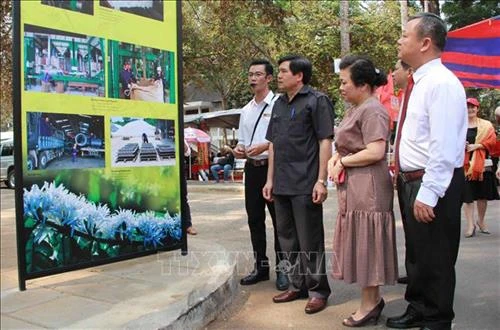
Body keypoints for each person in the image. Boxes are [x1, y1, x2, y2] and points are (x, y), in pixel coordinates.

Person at [386, 13, 468, 330]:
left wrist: (429, 193)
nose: (399, 40)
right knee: (418, 254)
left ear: (425, 43)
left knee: (437, 257)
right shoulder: (419, 82)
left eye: (405, 35)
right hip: (412, 181)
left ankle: (437, 320)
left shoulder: (442, 84)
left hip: (432, 182)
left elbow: (445, 146)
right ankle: (418, 307)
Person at [328, 55, 398, 327]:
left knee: (368, 242)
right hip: (355, 185)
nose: (341, 87)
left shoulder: (372, 110)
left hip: (368, 186)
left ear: (363, 84)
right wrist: (337, 158)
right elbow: (346, 145)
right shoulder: (355, 109)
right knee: (361, 241)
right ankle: (371, 300)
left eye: (345, 82)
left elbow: (376, 150)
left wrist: (342, 161)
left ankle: (370, 304)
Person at [263, 55, 333, 314]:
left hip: (305, 182)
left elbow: (325, 140)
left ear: (299, 76)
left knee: (310, 240)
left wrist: (321, 180)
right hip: (281, 183)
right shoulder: (279, 104)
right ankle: (297, 284)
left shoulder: (317, 101)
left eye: (283, 71)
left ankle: (318, 290)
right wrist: (269, 180)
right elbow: (273, 144)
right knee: (287, 239)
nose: (279, 76)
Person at [232, 59, 288, 291]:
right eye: (250, 74)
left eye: (258, 74)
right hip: (252, 170)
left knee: (279, 222)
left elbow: (282, 138)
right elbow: (243, 141)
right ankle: (261, 267)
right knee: (255, 219)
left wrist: (264, 147)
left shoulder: (279, 104)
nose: (253, 78)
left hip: (272, 168)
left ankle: (283, 270)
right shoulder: (246, 110)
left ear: (269, 78)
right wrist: (239, 149)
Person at [462, 97, 498, 237]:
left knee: (482, 196)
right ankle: (470, 225)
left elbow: (493, 142)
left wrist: (477, 146)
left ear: (477, 109)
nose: (470, 109)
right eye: (468, 107)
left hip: (483, 164)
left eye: (473, 107)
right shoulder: (460, 125)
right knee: (468, 196)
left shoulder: (486, 125)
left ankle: (481, 221)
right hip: (465, 164)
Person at [392, 59, 413, 286]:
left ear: (409, 71)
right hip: (405, 176)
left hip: (421, 177)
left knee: (424, 238)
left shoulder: (432, 88)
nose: (393, 74)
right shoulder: (406, 96)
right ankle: (414, 272)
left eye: (396, 69)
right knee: (412, 234)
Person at [183, 140, 197, 235]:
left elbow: (187, 152)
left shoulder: (178, 133)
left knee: (183, 198)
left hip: (178, 170)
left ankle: (188, 225)